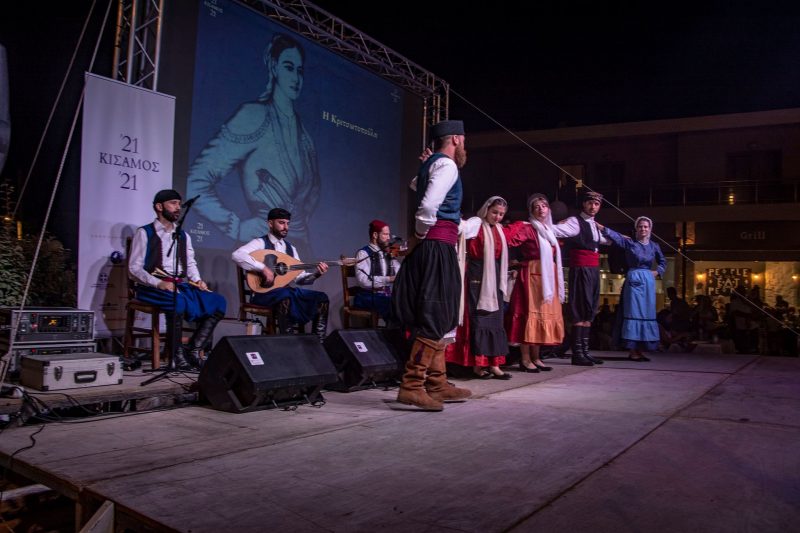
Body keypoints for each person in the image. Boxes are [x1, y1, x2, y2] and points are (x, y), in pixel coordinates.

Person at [186, 33, 320, 257]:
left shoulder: (304, 135)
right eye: (288, 67)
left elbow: (311, 196)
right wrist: (236, 226)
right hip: (262, 251)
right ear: (274, 67)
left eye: (300, 70)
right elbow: (195, 182)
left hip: (299, 251)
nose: (296, 78)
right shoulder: (253, 116)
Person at [392, 119, 472, 411]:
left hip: (437, 244)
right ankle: (412, 385)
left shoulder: (437, 165)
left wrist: (427, 165)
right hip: (436, 244)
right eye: (463, 140)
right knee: (436, 312)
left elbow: (418, 186)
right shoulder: (448, 165)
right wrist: (420, 234)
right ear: (456, 139)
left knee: (440, 313)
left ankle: (436, 383)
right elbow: (427, 207)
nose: (465, 145)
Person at [128, 189, 227, 370]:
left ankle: (194, 349)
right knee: (178, 302)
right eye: (173, 203)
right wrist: (159, 283)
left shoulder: (183, 235)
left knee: (218, 302)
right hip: (152, 287)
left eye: (179, 204)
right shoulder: (145, 233)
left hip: (180, 285)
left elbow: (190, 262)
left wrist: (197, 280)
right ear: (159, 207)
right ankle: (176, 355)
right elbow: (134, 269)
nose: (178, 207)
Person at [231, 207, 330, 342]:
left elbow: (299, 278)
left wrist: (316, 274)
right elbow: (237, 255)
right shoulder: (260, 243)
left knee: (321, 298)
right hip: (264, 294)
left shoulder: (291, 249)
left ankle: (318, 343)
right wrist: (263, 268)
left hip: (285, 293)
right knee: (286, 296)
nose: (286, 227)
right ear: (270, 223)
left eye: (287, 223)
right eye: (281, 223)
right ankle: (288, 342)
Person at [445, 196, 512, 379]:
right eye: (495, 212)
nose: (498, 217)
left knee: (495, 320)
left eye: (501, 214)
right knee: (479, 319)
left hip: (494, 275)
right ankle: (478, 365)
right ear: (486, 209)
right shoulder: (476, 223)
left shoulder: (499, 230)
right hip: (477, 275)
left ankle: (494, 364)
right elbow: (462, 229)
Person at [504, 194, 566, 372]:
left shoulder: (549, 231)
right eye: (537, 207)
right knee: (529, 313)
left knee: (541, 315)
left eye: (544, 206)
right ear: (531, 211)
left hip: (548, 276)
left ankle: (536, 357)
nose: (541, 209)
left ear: (548, 210)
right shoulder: (528, 228)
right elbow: (510, 240)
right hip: (532, 274)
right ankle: (525, 358)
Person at [552, 190, 609, 366]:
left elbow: (608, 240)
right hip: (581, 268)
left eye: (596, 204)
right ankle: (577, 353)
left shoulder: (595, 225)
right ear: (584, 204)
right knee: (580, 308)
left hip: (593, 270)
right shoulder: (574, 221)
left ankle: (585, 351)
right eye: (590, 203)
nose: (593, 207)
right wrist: (547, 223)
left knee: (590, 309)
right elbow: (556, 230)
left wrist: (625, 238)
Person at [600, 217, 666, 361]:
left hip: (648, 281)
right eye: (640, 226)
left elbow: (662, 261)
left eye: (646, 227)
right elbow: (615, 236)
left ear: (650, 229)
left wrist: (657, 272)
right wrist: (600, 227)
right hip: (634, 278)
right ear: (636, 229)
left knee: (646, 314)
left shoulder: (654, 246)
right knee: (633, 312)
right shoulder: (630, 243)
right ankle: (632, 350)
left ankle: (640, 349)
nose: (643, 229)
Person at [354, 219, 402, 322]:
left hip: (385, 295)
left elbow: (400, 272)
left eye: (389, 234)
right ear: (375, 235)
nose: (388, 238)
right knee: (393, 304)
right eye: (385, 234)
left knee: (405, 301)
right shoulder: (363, 253)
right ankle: (393, 330)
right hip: (367, 296)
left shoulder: (388, 253)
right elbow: (363, 281)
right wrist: (388, 279)